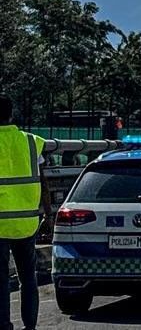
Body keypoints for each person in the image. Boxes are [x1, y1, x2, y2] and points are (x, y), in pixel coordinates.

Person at [0, 94, 49, 330]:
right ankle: (30, 326)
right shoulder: (31, 142)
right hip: (27, 223)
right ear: (11, 113)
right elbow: (44, 181)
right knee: (28, 278)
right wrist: (48, 214)